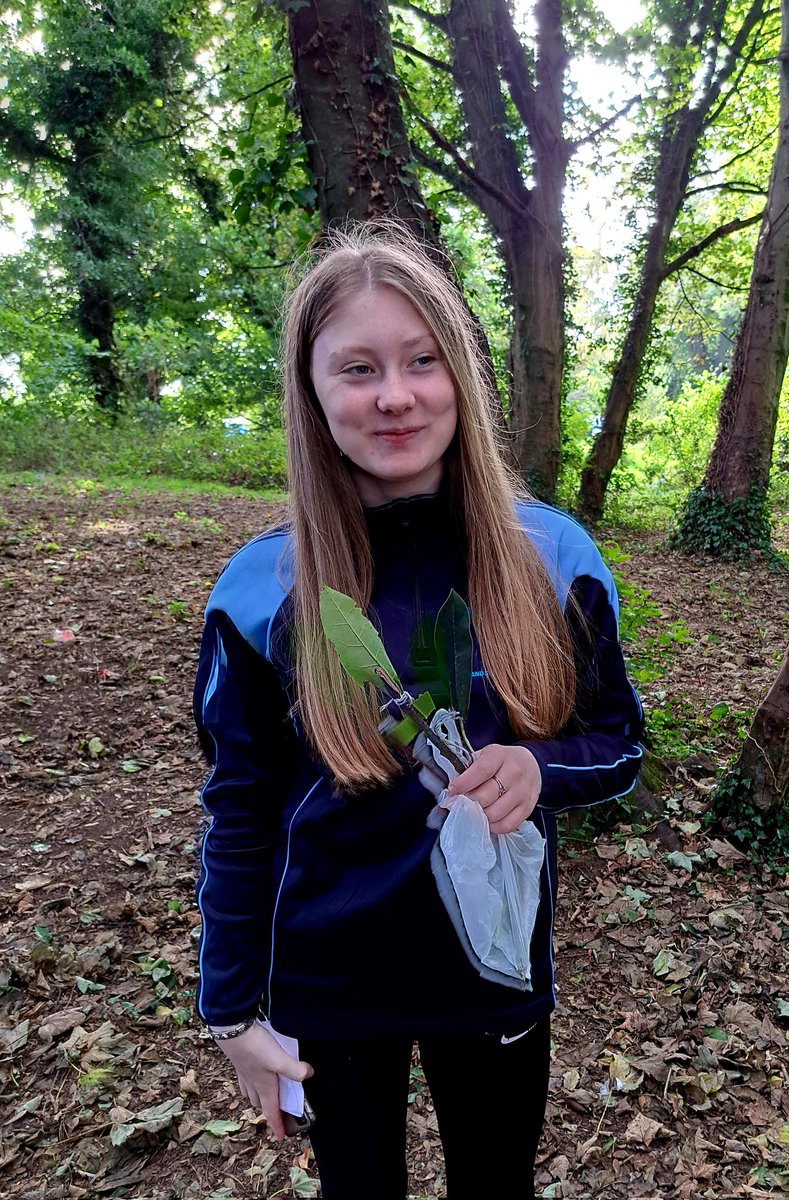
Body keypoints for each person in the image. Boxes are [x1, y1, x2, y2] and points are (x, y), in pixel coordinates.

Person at [193, 223, 643, 1200]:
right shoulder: (259, 591)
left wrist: (538, 768)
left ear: (460, 376)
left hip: (491, 972)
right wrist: (232, 1017)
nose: (393, 395)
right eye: (356, 368)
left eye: (420, 361)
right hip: (328, 990)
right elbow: (240, 812)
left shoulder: (553, 558)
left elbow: (618, 742)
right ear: (312, 391)